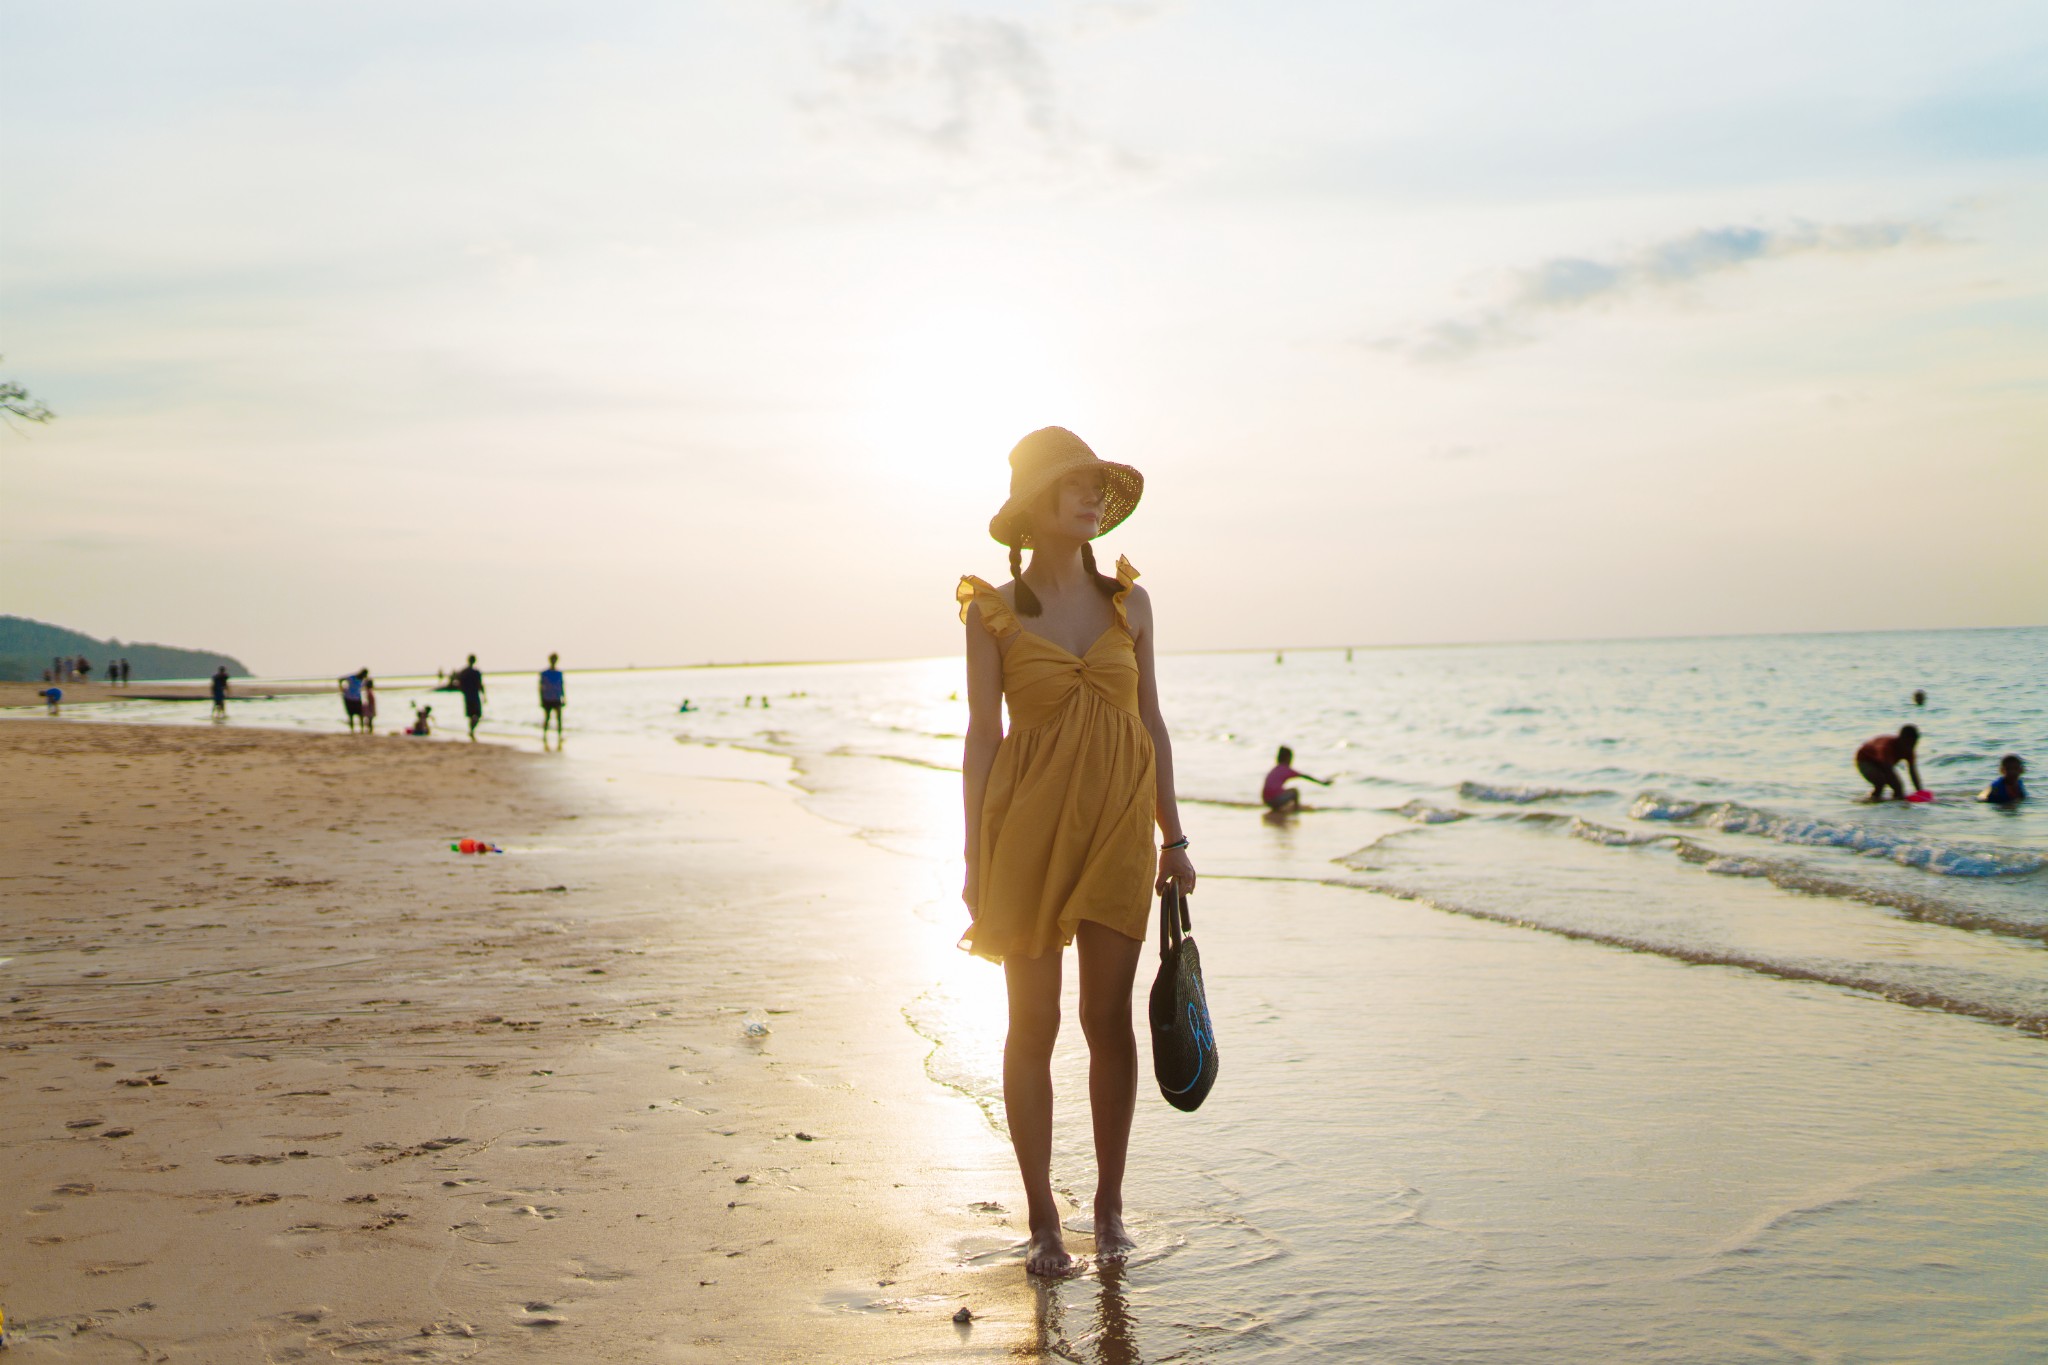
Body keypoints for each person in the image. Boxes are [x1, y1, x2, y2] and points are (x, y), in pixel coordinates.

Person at [958, 426, 1194, 1278]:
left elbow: (1153, 722)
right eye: (1075, 487)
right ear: (1035, 505)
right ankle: (1043, 1215)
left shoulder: (1131, 603)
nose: (1092, 499)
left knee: (1108, 1020)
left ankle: (1109, 1204)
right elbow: (983, 735)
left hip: (1121, 825)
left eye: (1099, 487)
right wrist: (974, 861)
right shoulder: (993, 611)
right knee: (1035, 1023)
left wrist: (1177, 835)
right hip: (1024, 828)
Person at [1855, 724, 1924, 801]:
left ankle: (1887, 804)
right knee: (1881, 782)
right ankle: (1869, 801)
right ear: (1901, 739)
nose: (1911, 747)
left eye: (1914, 744)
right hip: (1865, 759)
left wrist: (1920, 792)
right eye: (1909, 743)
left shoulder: (1910, 750)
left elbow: (1913, 772)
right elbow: (1889, 770)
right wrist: (1900, 792)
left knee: (1897, 790)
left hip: (1881, 761)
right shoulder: (1887, 747)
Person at [1262, 745, 1332, 812]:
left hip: (1266, 800)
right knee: (1294, 792)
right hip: (1275, 799)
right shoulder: (1286, 769)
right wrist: (1322, 783)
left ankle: (1278, 809)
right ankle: (1296, 808)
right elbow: (1305, 776)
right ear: (1287, 758)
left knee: (1283, 791)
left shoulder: (1275, 768)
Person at [454, 655, 486, 741]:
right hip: (474, 695)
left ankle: (471, 730)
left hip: (468, 695)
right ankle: (471, 731)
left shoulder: (464, 672)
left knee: (471, 715)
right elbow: (480, 684)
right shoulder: (475, 672)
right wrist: (484, 695)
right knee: (477, 715)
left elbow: (457, 682)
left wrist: (463, 690)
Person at [539, 653, 566, 744]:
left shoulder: (559, 673)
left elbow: (561, 686)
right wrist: (541, 699)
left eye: (555, 659)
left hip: (557, 698)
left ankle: (560, 736)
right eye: (552, 659)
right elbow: (541, 687)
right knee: (547, 718)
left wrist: (564, 697)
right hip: (547, 698)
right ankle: (544, 735)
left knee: (559, 719)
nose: (554, 661)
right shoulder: (544, 673)